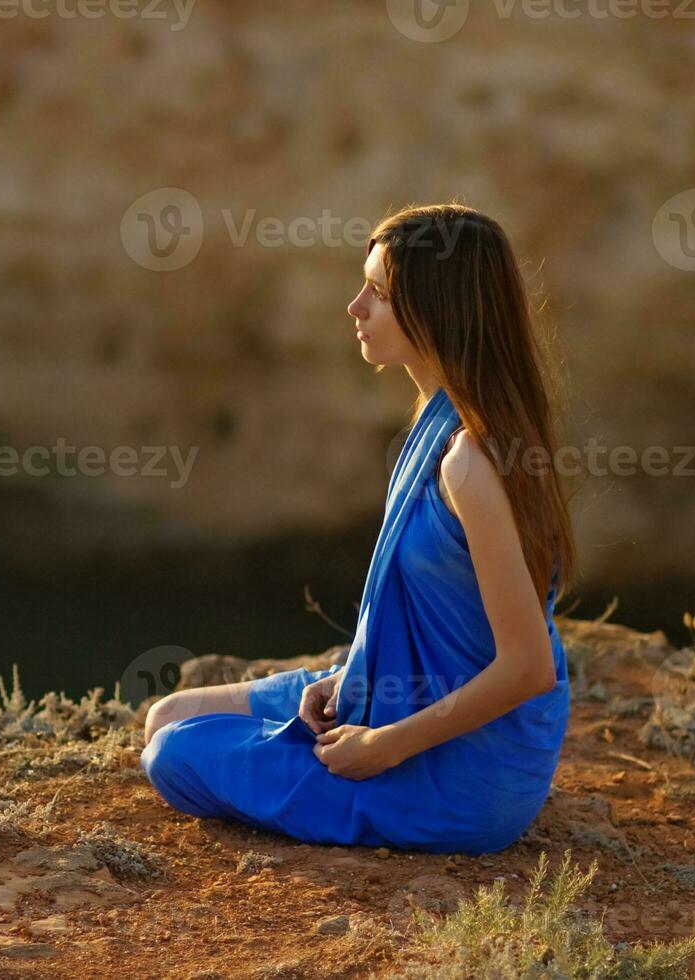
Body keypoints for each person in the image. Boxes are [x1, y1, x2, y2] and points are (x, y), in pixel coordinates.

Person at [139, 202, 579, 854]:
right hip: (399, 689)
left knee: (175, 751)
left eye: (377, 293)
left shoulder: (472, 464)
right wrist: (350, 680)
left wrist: (381, 745)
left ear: (436, 310)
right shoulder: (440, 418)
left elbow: (528, 670)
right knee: (168, 713)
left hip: (462, 778)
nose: (354, 307)